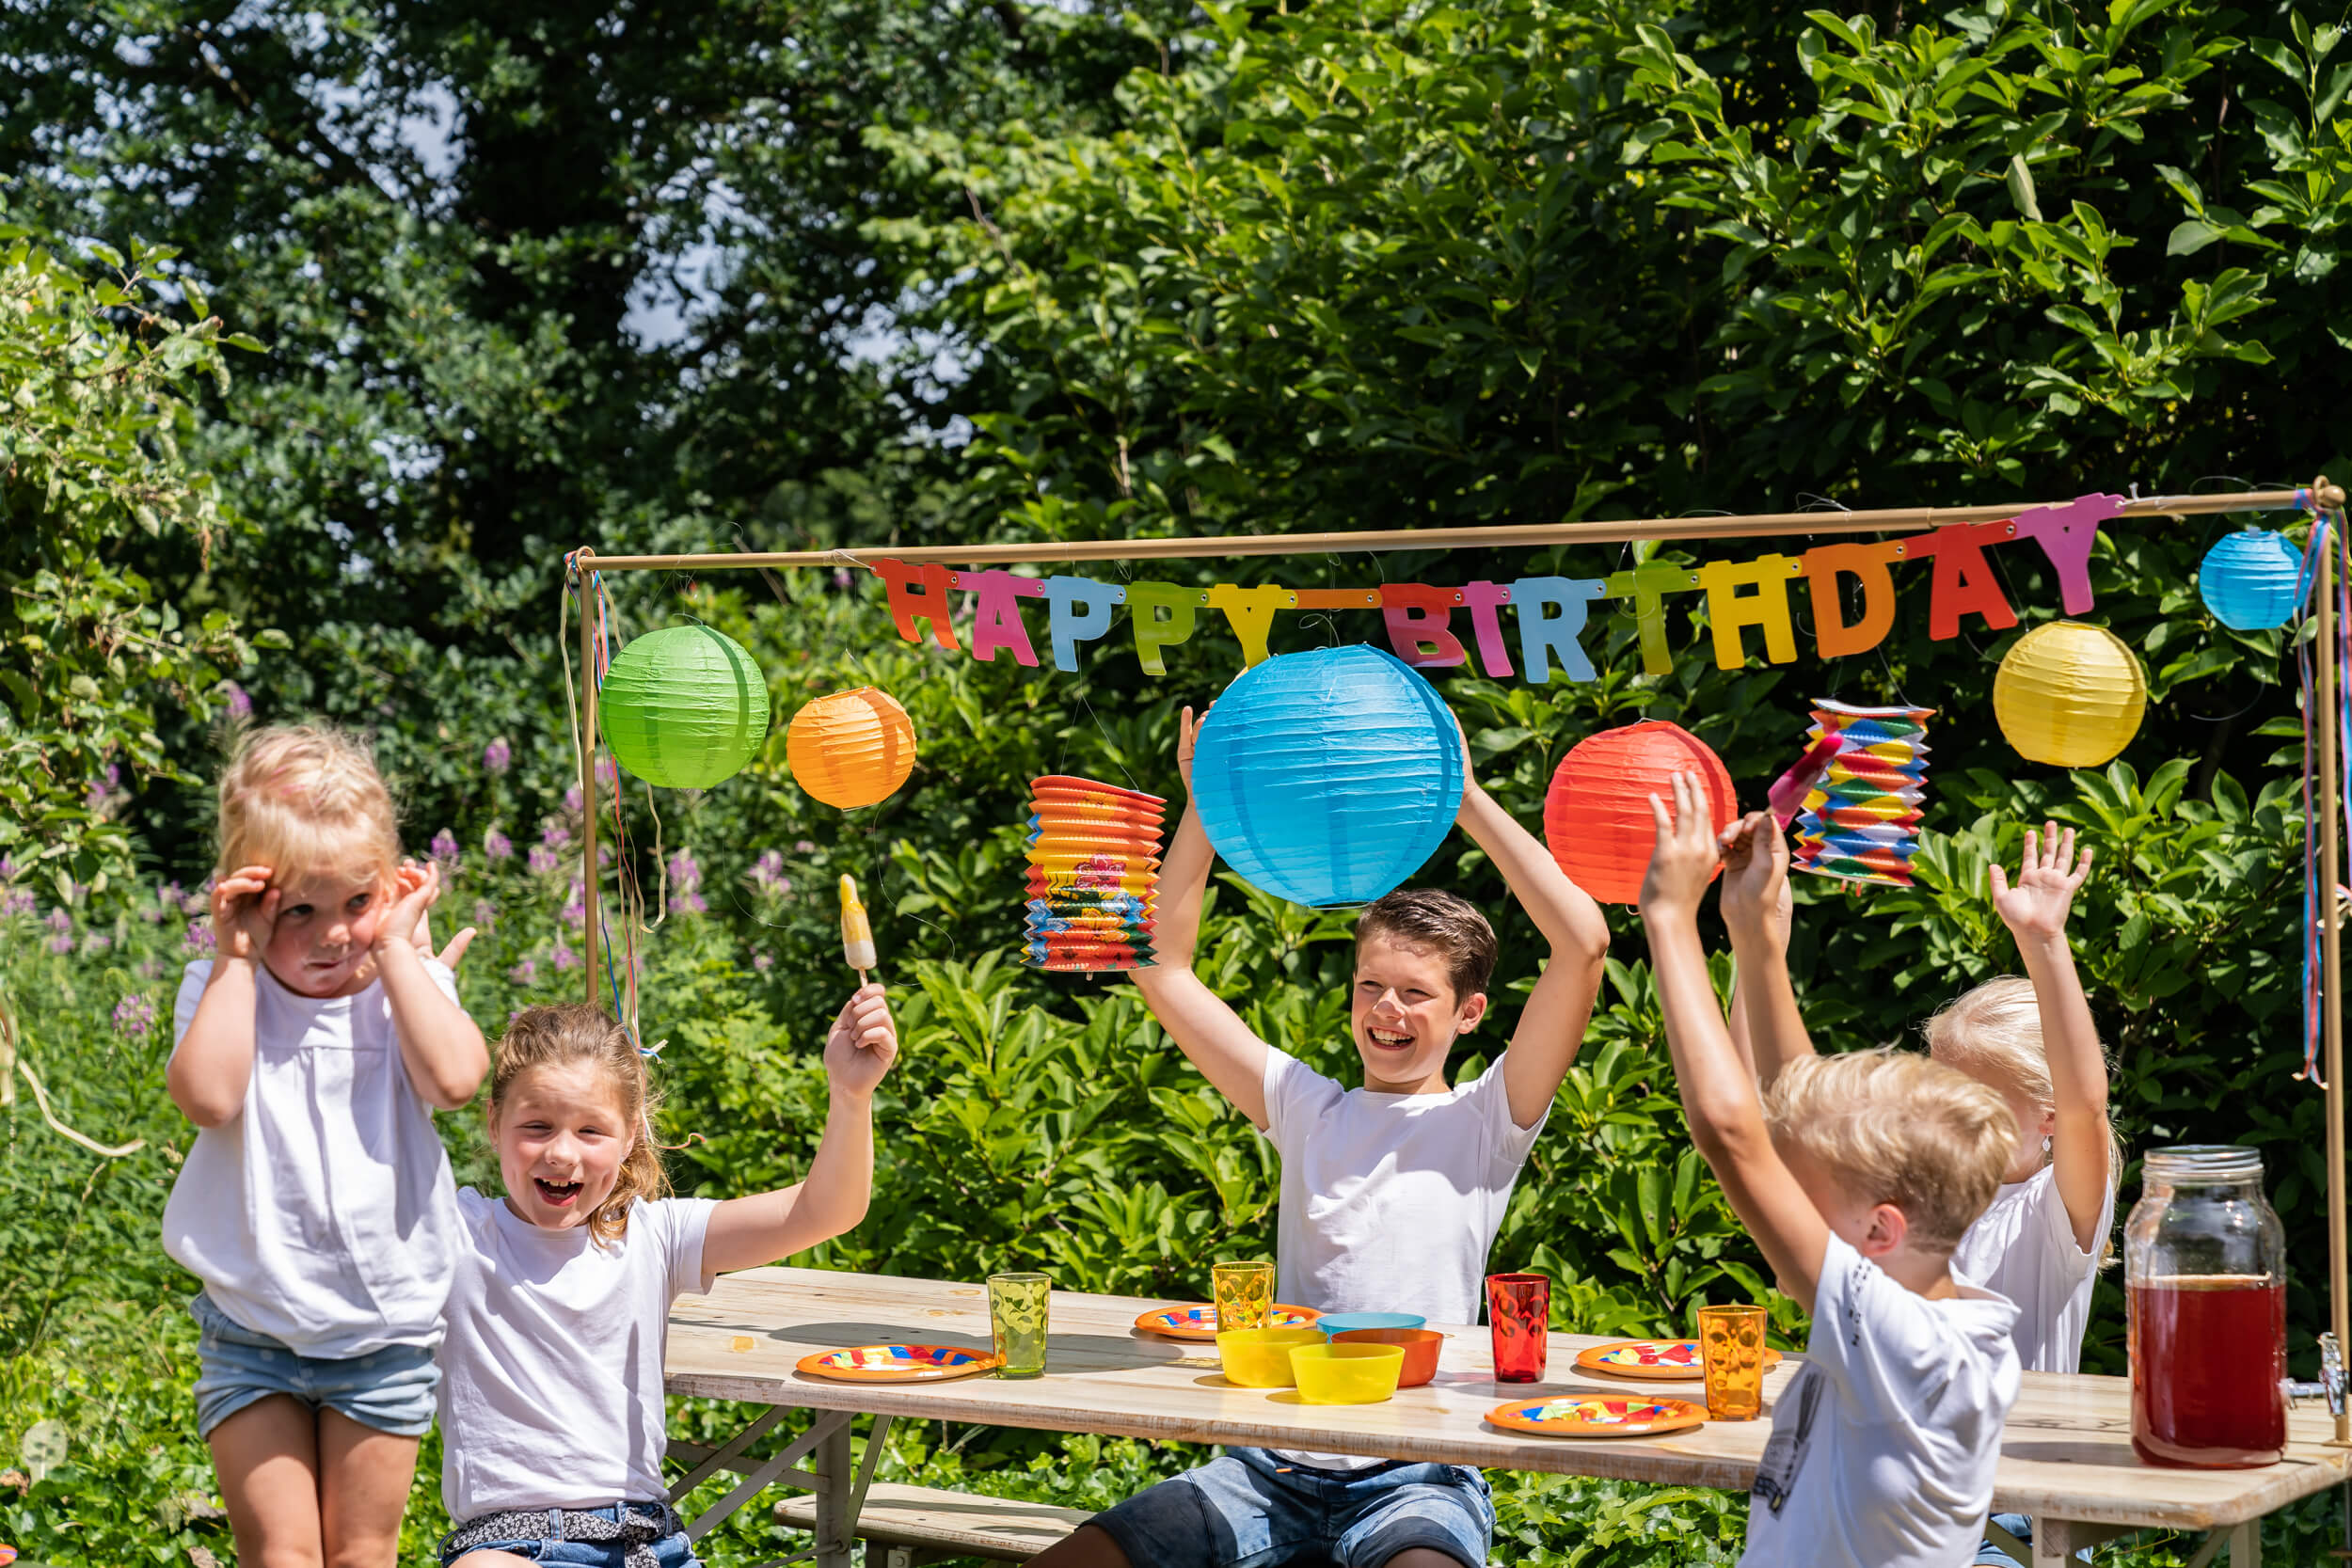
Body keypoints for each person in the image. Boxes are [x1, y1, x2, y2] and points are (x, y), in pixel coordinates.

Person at [1032, 704, 1612, 1568]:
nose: (1387, 1007)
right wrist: (1203, 808)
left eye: (1416, 993)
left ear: (1468, 1011)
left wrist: (1468, 798)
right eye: (1371, 983)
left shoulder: (1488, 1118)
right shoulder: (1307, 1106)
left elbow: (1586, 943)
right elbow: (1161, 963)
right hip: (1266, 1466)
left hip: (1420, 1472)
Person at [1644, 775, 2021, 1568]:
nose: (1780, 1183)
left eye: (1800, 1176)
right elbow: (1788, 1109)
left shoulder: (1912, 1344)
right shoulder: (1920, 1302)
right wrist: (1755, 939)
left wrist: (1671, 921)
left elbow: (1732, 1131)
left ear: (1878, 1228)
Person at [1721, 815, 2114, 1564]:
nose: (1947, 1110)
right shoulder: (1892, 1198)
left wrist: (2044, 944)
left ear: (2048, 1120)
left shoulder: (2054, 1215)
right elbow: (1775, 1110)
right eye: (1939, 1085)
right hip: (1870, 1492)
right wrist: (1757, 942)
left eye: (1979, 1098)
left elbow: (2088, 1103)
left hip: (2013, 1524)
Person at [165, 723, 488, 1568]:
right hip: (253, 1328)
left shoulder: (401, 984)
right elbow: (208, 1097)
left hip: (382, 1332)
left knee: (359, 1555)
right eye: (296, 911)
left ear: (389, 887)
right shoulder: (220, 985)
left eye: (355, 902)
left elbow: (456, 1080)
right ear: (243, 898)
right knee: (281, 1555)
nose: (331, 935)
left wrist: (397, 949)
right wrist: (234, 956)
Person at [434, 987, 898, 1568]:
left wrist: (851, 1096)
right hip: (506, 1546)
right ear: (494, 1123)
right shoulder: (455, 1233)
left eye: (590, 1132)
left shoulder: (654, 1236)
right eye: (537, 1126)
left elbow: (825, 1211)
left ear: (630, 1136)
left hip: (645, 1540)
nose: (561, 1153)